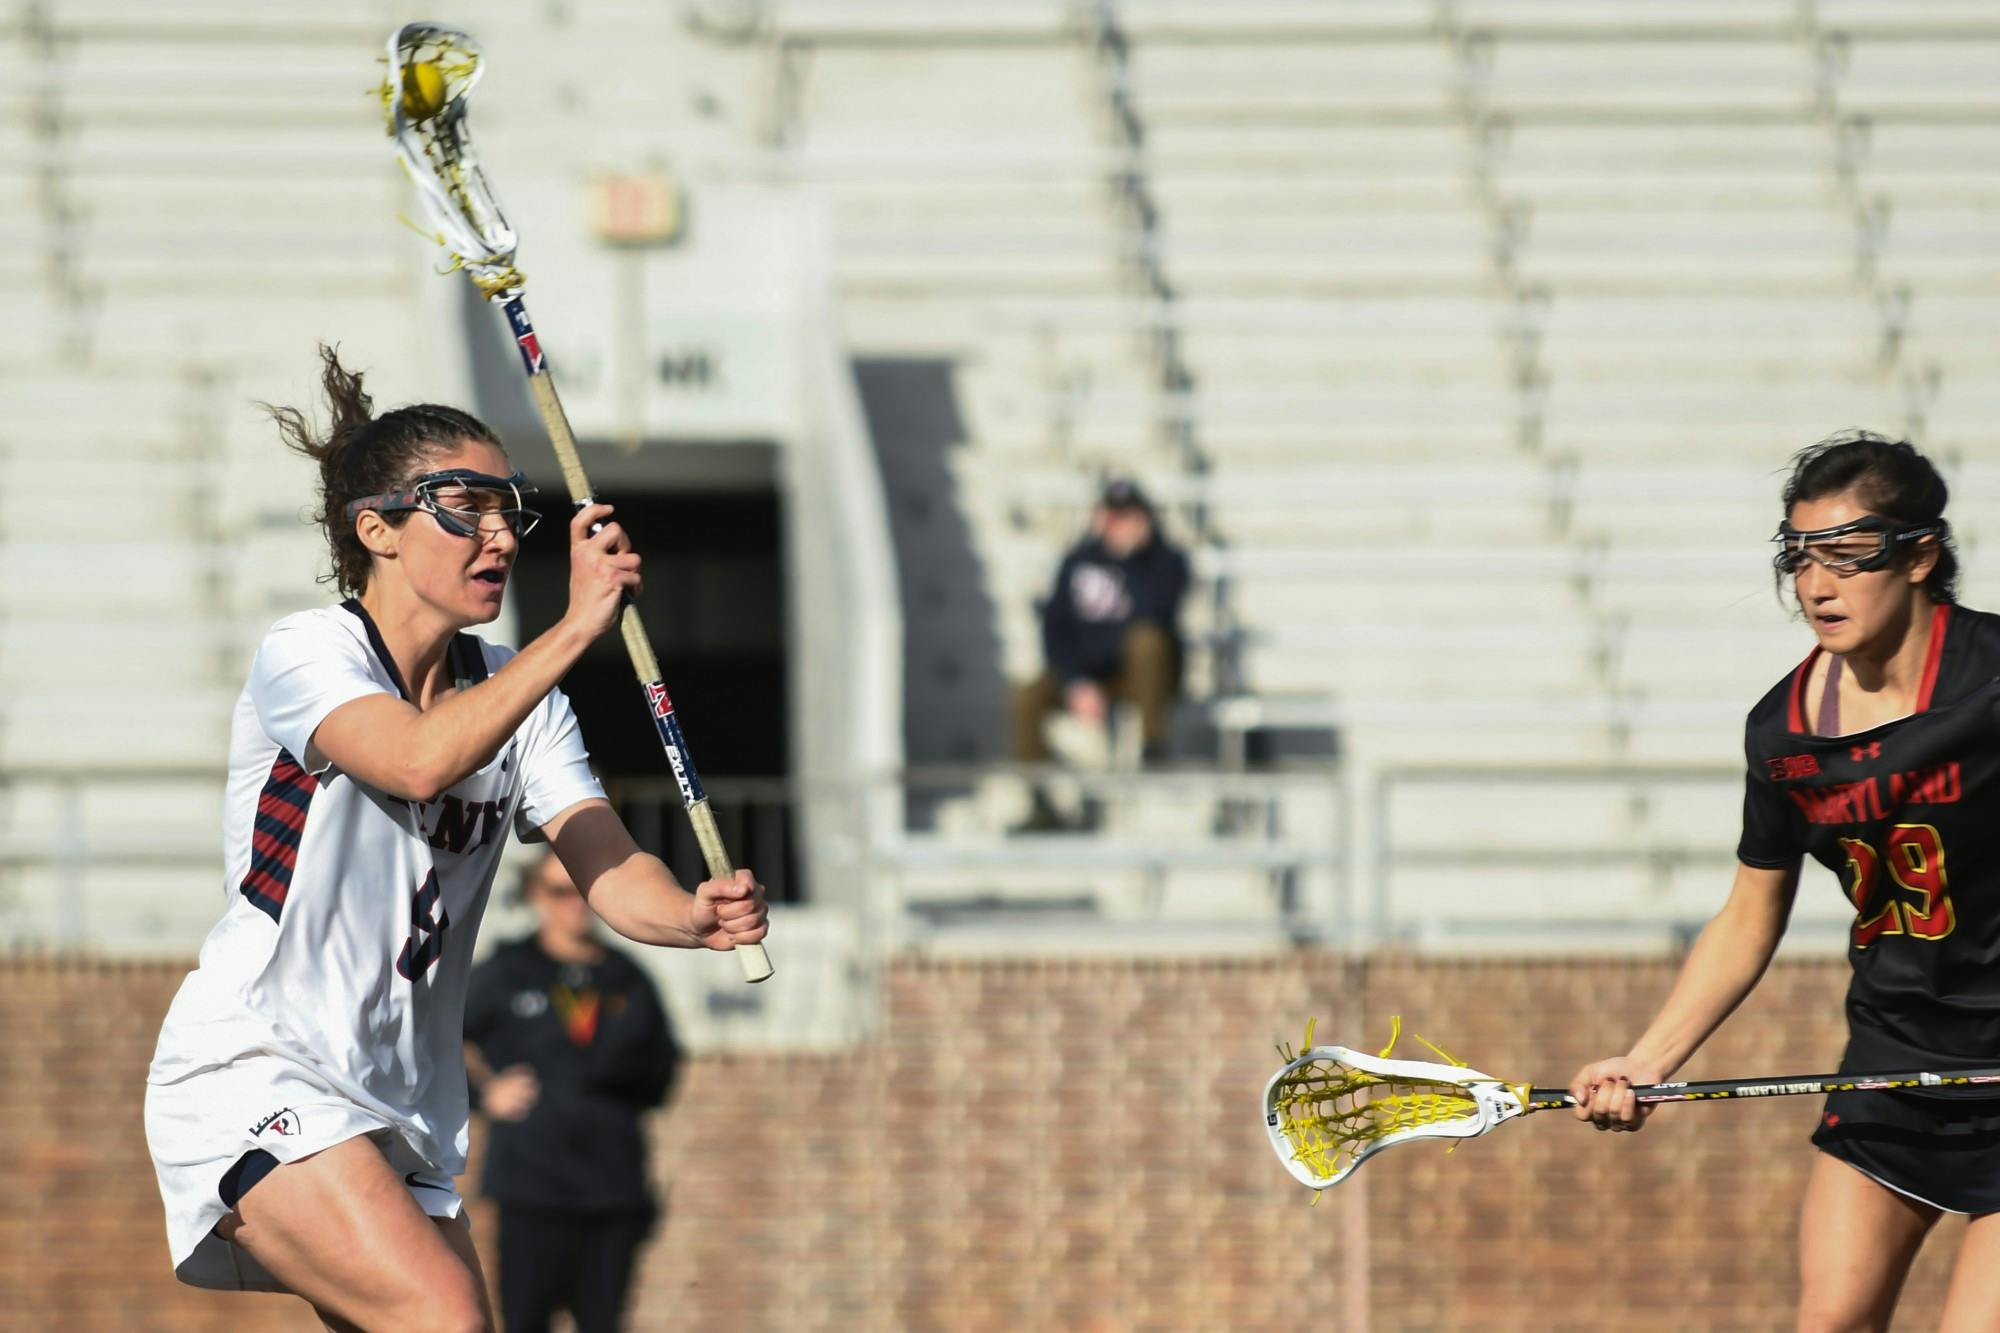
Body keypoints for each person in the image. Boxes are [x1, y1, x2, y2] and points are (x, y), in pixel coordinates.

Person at [143, 345, 768, 1331]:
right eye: (462, 506)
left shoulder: (516, 691)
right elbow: (417, 761)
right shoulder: (309, 653)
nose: (500, 534)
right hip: (260, 1068)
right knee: (447, 1319)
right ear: (377, 530)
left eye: (507, 508)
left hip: (404, 1115)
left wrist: (690, 912)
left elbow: (607, 867)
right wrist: (574, 631)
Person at [1568, 431, 2000, 1329]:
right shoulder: (1784, 733)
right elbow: (1747, 914)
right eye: (1800, 556)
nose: (1817, 583)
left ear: (1921, 555)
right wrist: (1647, 1062)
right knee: (1829, 1320)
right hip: (1895, 1061)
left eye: (1848, 554)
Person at [464, 849, 680, 1333]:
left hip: (612, 1191)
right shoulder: (507, 971)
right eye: (559, 891)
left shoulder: (628, 977)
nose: (574, 904)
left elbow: (663, 1070)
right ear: (535, 896)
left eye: (584, 891)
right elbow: (436, 1037)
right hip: (531, 1190)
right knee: (524, 1321)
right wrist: (484, 1094)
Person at [1011, 478, 1190, 801]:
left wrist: (1130, 557)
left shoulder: (1166, 561)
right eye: (1112, 513)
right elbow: (1056, 625)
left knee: (1146, 641)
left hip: (1140, 679)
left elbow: (1157, 612)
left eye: (1126, 514)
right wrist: (1076, 682)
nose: (1117, 522)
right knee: (1025, 695)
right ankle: (1039, 799)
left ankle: (1153, 746)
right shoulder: (1077, 560)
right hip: (1089, 673)